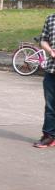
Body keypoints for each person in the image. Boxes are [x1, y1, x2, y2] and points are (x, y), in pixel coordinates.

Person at [33, 10, 55, 147]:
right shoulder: (50, 19)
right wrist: (50, 51)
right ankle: (49, 136)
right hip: (52, 69)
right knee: (50, 106)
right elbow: (43, 40)